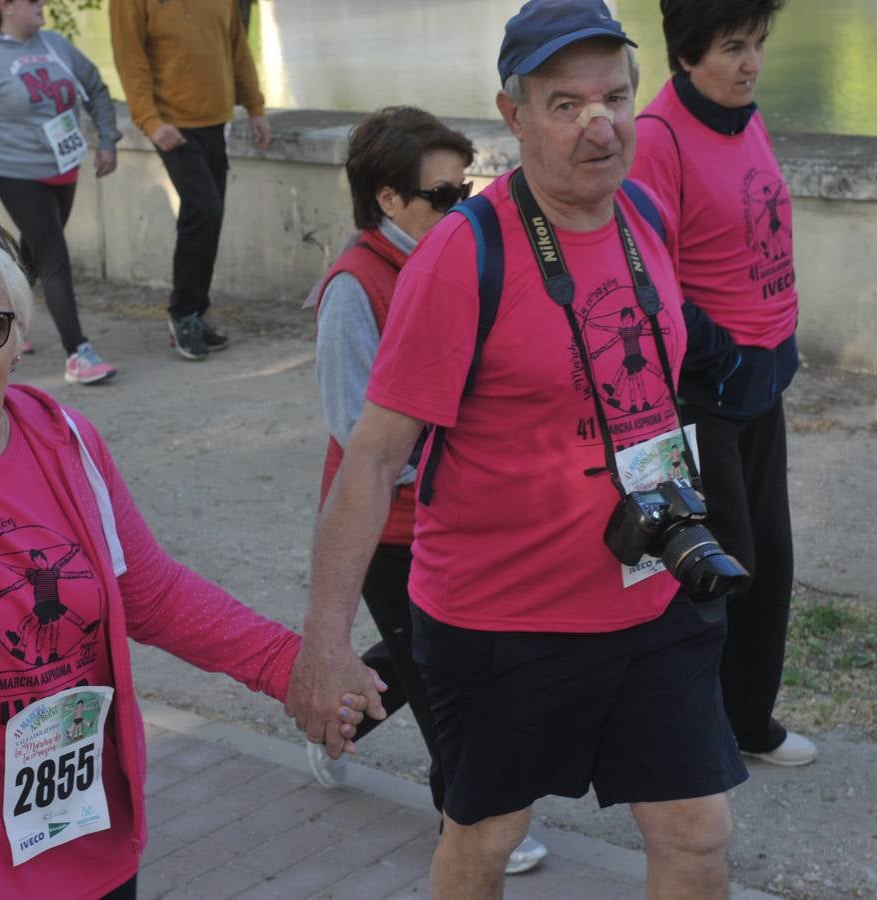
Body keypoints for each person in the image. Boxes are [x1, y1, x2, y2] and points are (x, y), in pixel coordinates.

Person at [0, 194, 370, 899]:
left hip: (82, 845)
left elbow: (149, 593)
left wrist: (291, 667)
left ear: (21, 332)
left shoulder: (65, 442)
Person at [286, 2, 748, 897]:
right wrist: (327, 642)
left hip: (651, 592)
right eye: (566, 105)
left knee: (697, 832)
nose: (599, 123)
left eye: (613, 96)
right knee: (486, 839)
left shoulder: (643, 213)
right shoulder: (463, 255)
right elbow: (373, 457)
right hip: (503, 622)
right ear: (515, 115)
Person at [307, 105, 547, 876]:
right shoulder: (354, 287)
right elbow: (354, 426)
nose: (462, 207)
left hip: (458, 516)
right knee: (445, 679)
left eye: (466, 189)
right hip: (393, 528)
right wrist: (455, 465)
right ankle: (467, 817)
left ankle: (328, 720)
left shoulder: (454, 258)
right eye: (442, 196)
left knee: (420, 659)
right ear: (387, 199)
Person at [628, 0, 816, 768]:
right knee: (717, 568)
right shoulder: (656, 138)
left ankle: (748, 721)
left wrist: (777, 340)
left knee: (771, 555)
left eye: (759, 44)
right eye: (734, 47)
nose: (752, 64)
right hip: (701, 391)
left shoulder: (743, 114)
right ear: (684, 54)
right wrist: (725, 354)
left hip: (760, 382)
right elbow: (647, 276)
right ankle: (692, 734)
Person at [0, 0, 121, 386]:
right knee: (53, 255)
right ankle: (78, 352)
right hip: (16, 173)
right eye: (33, 1)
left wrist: (108, 140)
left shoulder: (56, 46)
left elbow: (95, 86)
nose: (42, 5)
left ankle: (4, 324)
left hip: (64, 169)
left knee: (33, 249)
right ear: (6, 7)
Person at [110, 0, 271, 361]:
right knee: (204, 209)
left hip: (216, 122)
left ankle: (195, 313)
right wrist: (150, 121)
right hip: (173, 125)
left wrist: (255, 107)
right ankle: (183, 314)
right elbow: (129, 57)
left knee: (208, 218)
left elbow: (237, 46)